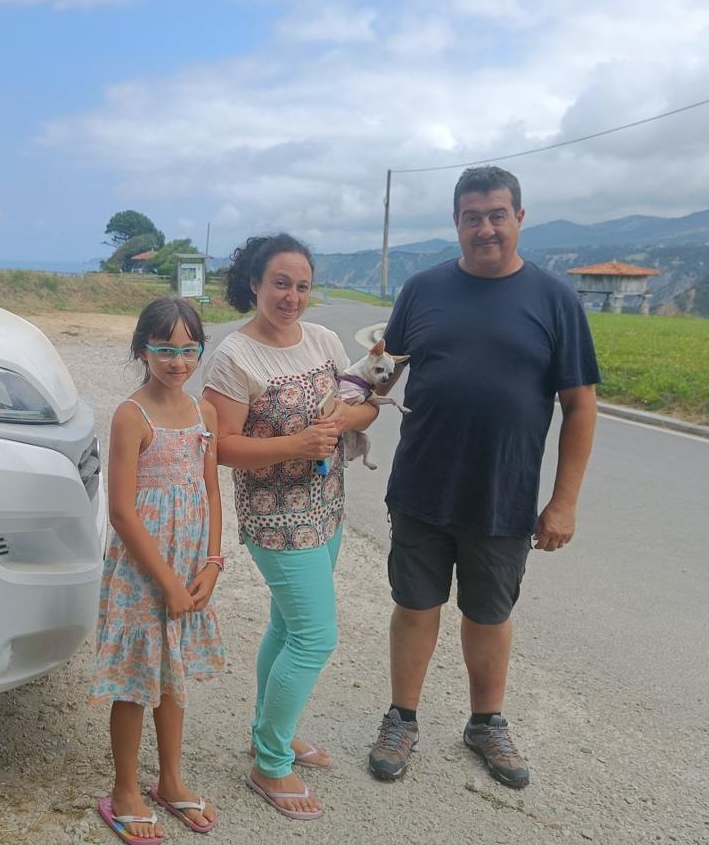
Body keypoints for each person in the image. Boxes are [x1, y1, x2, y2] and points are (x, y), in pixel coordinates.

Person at [368, 165, 600, 790]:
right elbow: (381, 373)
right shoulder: (420, 290)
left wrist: (564, 503)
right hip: (421, 485)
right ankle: (402, 717)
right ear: (457, 223)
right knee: (415, 606)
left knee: (489, 613)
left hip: (504, 491)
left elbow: (580, 406)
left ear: (520, 218)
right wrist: (340, 409)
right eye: (472, 216)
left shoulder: (555, 300)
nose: (485, 227)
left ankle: (485, 723)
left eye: (498, 214)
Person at [202, 234, 379, 820]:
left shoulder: (325, 339)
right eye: (281, 283)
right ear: (253, 283)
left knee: (285, 628)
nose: (292, 296)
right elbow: (221, 448)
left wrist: (345, 416)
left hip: (327, 505)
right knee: (314, 638)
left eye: (302, 285)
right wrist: (297, 443)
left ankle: (269, 730)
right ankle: (269, 764)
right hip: (274, 517)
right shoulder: (234, 358)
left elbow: (366, 400)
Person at [91, 297, 226, 844]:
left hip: (190, 562)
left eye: (189, 349)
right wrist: (166, 580)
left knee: (173, 677)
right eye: (165, 349)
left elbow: (212, 489)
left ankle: (170, 780)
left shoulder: (205, 413)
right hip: (142, 572)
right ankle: (125, 788)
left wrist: (212, 563)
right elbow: (122, 510)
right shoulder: (132, 415)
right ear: (142, 350)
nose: (178, 361)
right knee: (133, 681)